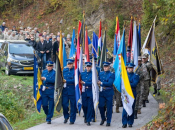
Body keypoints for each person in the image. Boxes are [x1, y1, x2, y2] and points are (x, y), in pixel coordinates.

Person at [122, 63, 139, 128]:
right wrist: (129, 83)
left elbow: (134, 84)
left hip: (132, 93)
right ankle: (124, 123)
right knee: (125, 108)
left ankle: (130, 122)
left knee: (131, 107)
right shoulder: (124, 75)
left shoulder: (136, 76)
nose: (129, 69)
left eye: (130, 68)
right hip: (125, 94)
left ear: (133, 69)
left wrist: (127, 84)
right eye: (128, 68)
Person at [98, 62, 115, 127]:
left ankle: (108, 121)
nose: (105, 68)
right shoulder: (101, 73)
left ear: (109, 67)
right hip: (102, 92)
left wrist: (101, 83)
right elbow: (98, 80)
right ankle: (103, 118)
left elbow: (110, 83)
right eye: (104, 67)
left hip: (109, 92)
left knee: (109, 108)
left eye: (106, 67)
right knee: (101, 106)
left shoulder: (112, 74)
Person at [62, 59, 76, 124]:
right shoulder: (64, 70)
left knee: (73, 105)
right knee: (64, 104)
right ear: (67, 64)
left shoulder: (75, 71)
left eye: (71, 64)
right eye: (68, 64)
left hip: (72, 89)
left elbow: (75, 80)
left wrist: (66, 81)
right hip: (65, 90)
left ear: (73, 64)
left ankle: (72, 119)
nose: (70, 65)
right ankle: (66, 116)